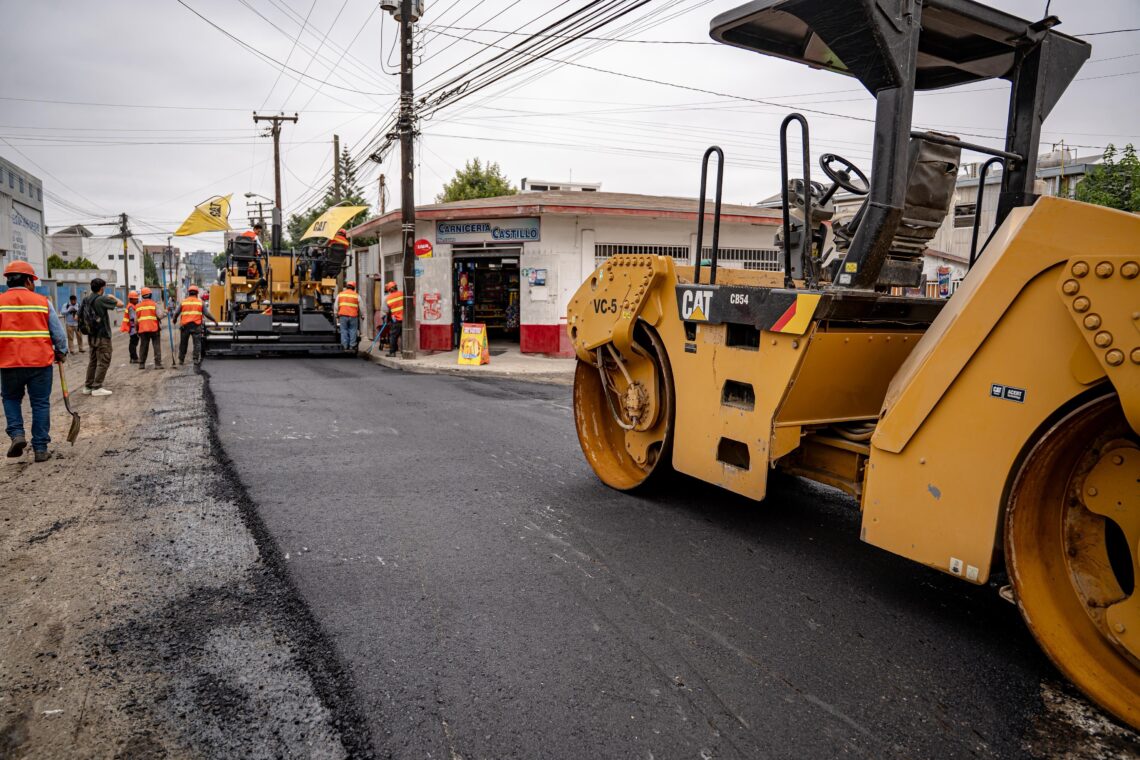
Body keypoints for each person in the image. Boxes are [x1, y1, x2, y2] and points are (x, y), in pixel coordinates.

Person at [0, 261, 68, 462]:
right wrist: (61, 351)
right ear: (29, 280)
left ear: (8, 280)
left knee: (11, 398)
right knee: (40, 403)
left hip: (9, 362)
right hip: (40, 362)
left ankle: (17, 434)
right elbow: (58, 332)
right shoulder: (42, 302)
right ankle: (40, 449)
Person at [82, 277, 123, 396]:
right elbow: (121, 304)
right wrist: (113, 297)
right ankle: (97, 387)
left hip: (91, 335)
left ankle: (88, 386)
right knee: (104, 360)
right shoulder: (101, 299)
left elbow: (78, 316)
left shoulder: (86, 299)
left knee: (93, 361)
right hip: (102, 336)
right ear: (102, 288)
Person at [173, 285, 218, 366]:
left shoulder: (183, 302)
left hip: (185, 326)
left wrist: (174, 319)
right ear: (197, 293)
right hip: (196, 326)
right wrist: (214, 320)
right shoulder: (200, 302)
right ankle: (195, 359)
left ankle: (181, 360)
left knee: (183, 343)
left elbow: (176, 313)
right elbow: (207, 314)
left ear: (189, 293)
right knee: (197, 343)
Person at [134, 287, 165, 369]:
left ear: (142, 296)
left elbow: (136, 321)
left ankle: (141, 364)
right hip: (154, 329)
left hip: (143, 330)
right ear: (150, 295)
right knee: (156, 346)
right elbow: (160, 316)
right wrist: (165, 313)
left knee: (143, 346)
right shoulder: (154, 304)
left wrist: (136, 329)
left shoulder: (138, 306)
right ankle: (158, 364)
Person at [335, 281, 360, 351]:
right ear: (354, 287)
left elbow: (336, 305)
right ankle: (352, 346)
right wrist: (363, 315)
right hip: (353, 316)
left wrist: (336, 313)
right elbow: (361, 306)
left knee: (344, 330)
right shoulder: (357, 295)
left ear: (346, 287)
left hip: (343, 315)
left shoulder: (340, 295)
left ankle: (344, 346)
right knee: (353, 330)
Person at [383, 280, 404, 357]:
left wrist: (387, 320)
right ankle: (404, 352)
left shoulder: (388, 298)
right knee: (404, 336)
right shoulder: (402, 294)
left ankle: (392, 352)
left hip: (396, 320)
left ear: (389, 290)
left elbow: (386, 311)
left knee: (393, 336)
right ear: (396, 287)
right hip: (405, 320)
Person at [120, 290, 139, 363]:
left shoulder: (131, 305)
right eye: (136, 299)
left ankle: (133, 358)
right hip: (132, 328)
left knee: (133, 342)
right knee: (133, 343)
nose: (137, 300)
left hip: (132, 328)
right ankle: (134, 358)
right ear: (132, 299)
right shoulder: (131, 307)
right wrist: (136, 328)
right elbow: (133, 318)